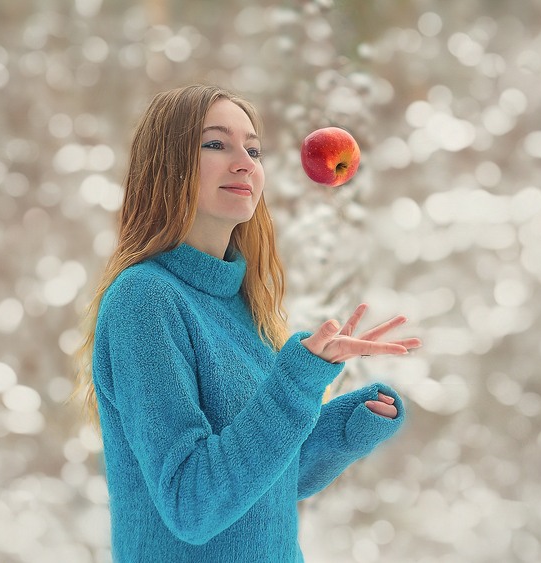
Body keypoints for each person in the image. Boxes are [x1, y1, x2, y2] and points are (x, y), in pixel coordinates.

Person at [72, 84, 422, 562]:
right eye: (216, 143)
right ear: (166, 164)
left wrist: (346, 427)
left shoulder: (242, 306)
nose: (244, 162)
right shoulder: (145, 300)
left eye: (253, 150)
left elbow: (259, 482)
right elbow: (193, 502)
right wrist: (295, 382)